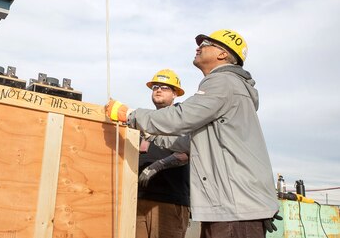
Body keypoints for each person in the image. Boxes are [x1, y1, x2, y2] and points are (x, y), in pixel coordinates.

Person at [106, 29, 280, 238]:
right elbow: (188, 142)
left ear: (223, 54)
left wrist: (130, 115)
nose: (198, 47)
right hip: (230, 207)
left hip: (235, 208)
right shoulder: (230, 89)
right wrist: (150, 133)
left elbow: (181, 117)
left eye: (205, 43)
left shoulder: (224, 81)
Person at [136, 69, 190, 238]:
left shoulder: (182, 118)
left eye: (165, 87)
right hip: (139, 198)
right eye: (155, 87)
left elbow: (187, 152)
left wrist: (158, 165)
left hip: (168, 199)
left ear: (175, 93)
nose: (158, 90)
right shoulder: (145, 119)